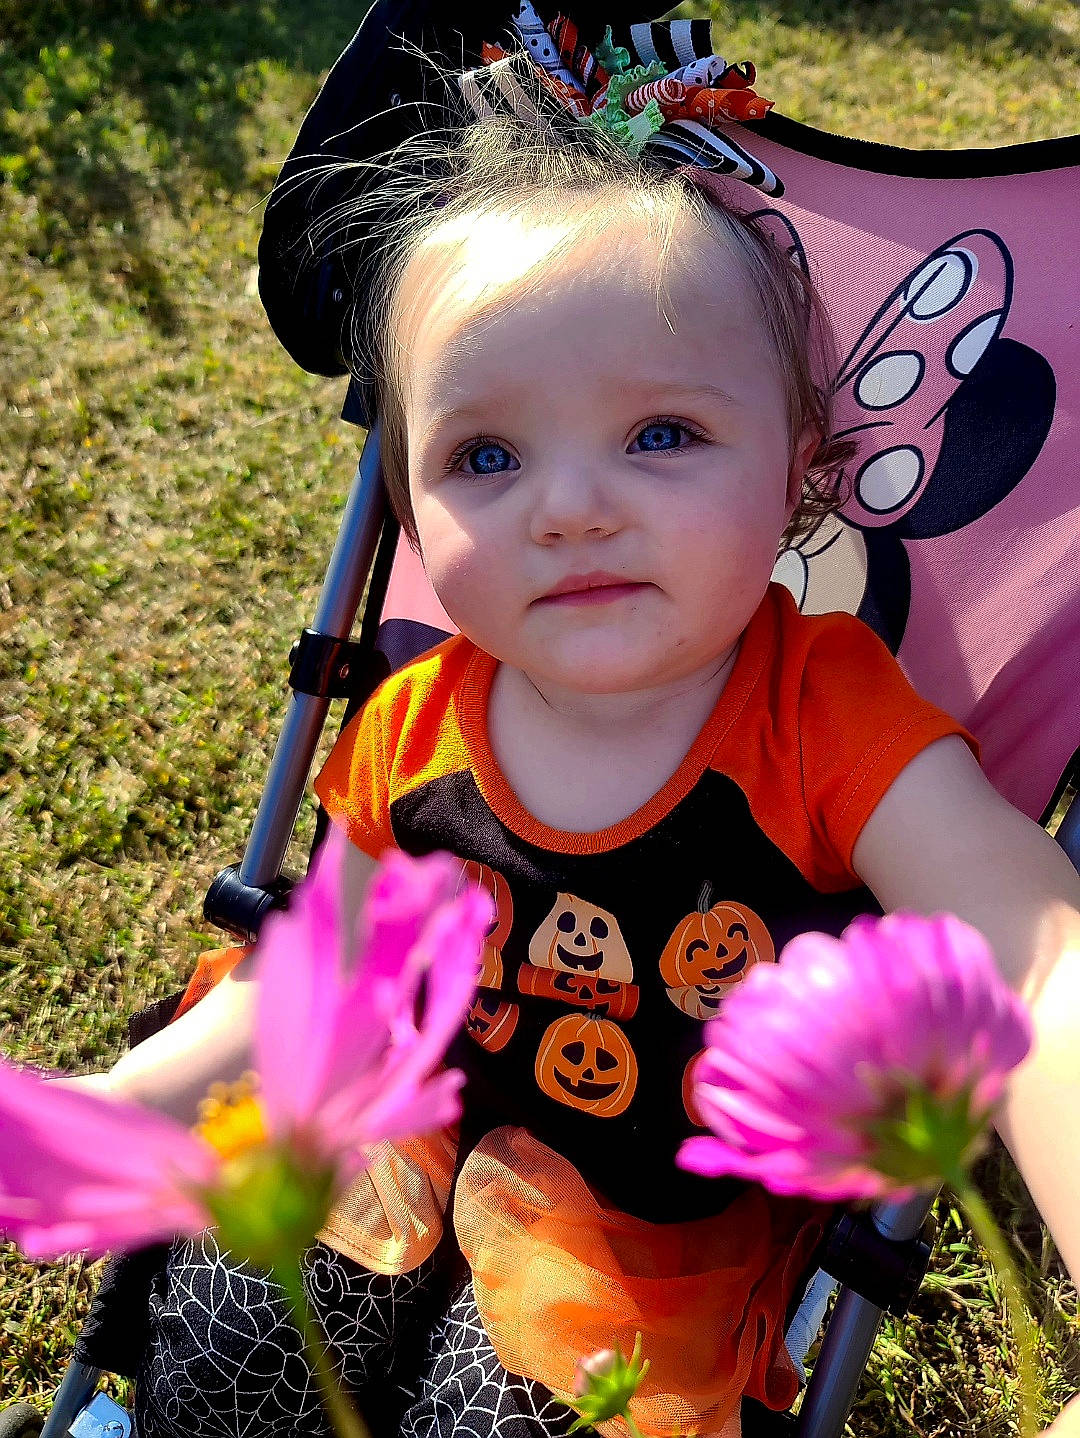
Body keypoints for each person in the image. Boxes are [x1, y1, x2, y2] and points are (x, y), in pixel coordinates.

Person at [69, 50, 1080, 1438]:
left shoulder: (823, 717)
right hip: (393, 1130)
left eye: (661, 433)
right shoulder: (414, 723)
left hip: (640, 1242)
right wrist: (127, 1097)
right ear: (412, 513)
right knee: (232, 1329)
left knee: (511, 1421)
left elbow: (1036, 955)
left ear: (798, 473)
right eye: (486, 457)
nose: (571, 507)